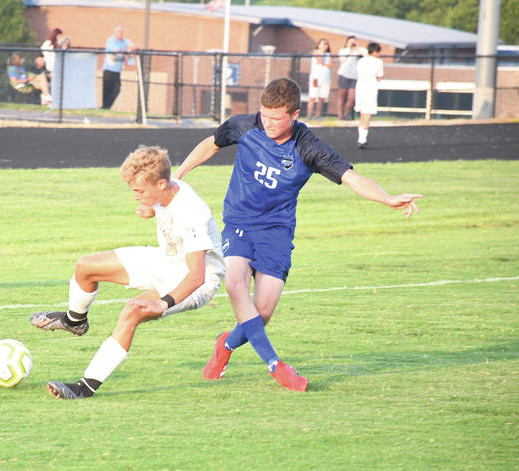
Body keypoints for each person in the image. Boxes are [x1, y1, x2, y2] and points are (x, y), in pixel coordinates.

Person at [172, 77, 422, 391]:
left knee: (260, 315)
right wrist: (178, 175)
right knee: (235, 283)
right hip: (239, 222)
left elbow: (349, 177)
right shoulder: (245, 125)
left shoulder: (308, 147)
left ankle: (225, 344)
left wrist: (386, 198)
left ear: (295, 115)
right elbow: (212, 143)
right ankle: (276, 366)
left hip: (276, 232)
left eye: (276, 118)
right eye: (264, 115)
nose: (268, 123)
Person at [30, 145, 226, 400]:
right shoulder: (165, 190)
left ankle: (84, 388)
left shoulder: (191, 214)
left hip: (196, 279)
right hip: (168, 260)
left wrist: (162, 303)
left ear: (162, 184)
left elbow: (196, 276)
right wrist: (153, 206)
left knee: (132, 311)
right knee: (85, 266)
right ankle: (74, 321)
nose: (135, 197)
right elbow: (166, 197)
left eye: (140, 191)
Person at [354, 42, 384, 149]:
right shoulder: (378, 62)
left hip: (360, 87)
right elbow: (379, 77)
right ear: (375, 51)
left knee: (362, 113)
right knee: (367, 114)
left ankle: (360, 138)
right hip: (370, 87)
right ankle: (362, 140)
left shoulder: (361, 61)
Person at [102, 26, 138, 109]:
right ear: (115, 33)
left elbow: (133, 46)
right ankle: (105, 107)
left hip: (117, 71)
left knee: (116, 90)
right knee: (107, 89)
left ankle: (107, 107)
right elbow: (117, 50)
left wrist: (130, 49)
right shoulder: (110, 41)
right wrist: (126, 52)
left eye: (121, 32)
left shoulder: (124, 42)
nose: (120, 34)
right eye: (118, 32)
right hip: (108, 70)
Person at [336, 36, 367, 120]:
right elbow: (343, 60)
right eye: (350, 42)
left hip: (355, 77)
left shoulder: (359, 50)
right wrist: (350, 49)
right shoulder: (343, 51)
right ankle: (340, 116)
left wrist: (357, 48)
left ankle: (345, 115)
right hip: (344, 75)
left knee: (351, 98)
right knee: (342, 96)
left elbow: (366, 56)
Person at [306, 39, 332, 120]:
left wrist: (324, 63)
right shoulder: (316, 52)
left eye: (326, 44)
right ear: (319, 45)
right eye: (323, 44)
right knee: (312, 97)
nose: (325, 45)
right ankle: (309, 116)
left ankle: (318, 115)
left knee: (321, 98)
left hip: (325, 79)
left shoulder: (328, 55)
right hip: (316, 78)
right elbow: (319, 60)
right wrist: (323, 54)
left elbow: (331, 65)